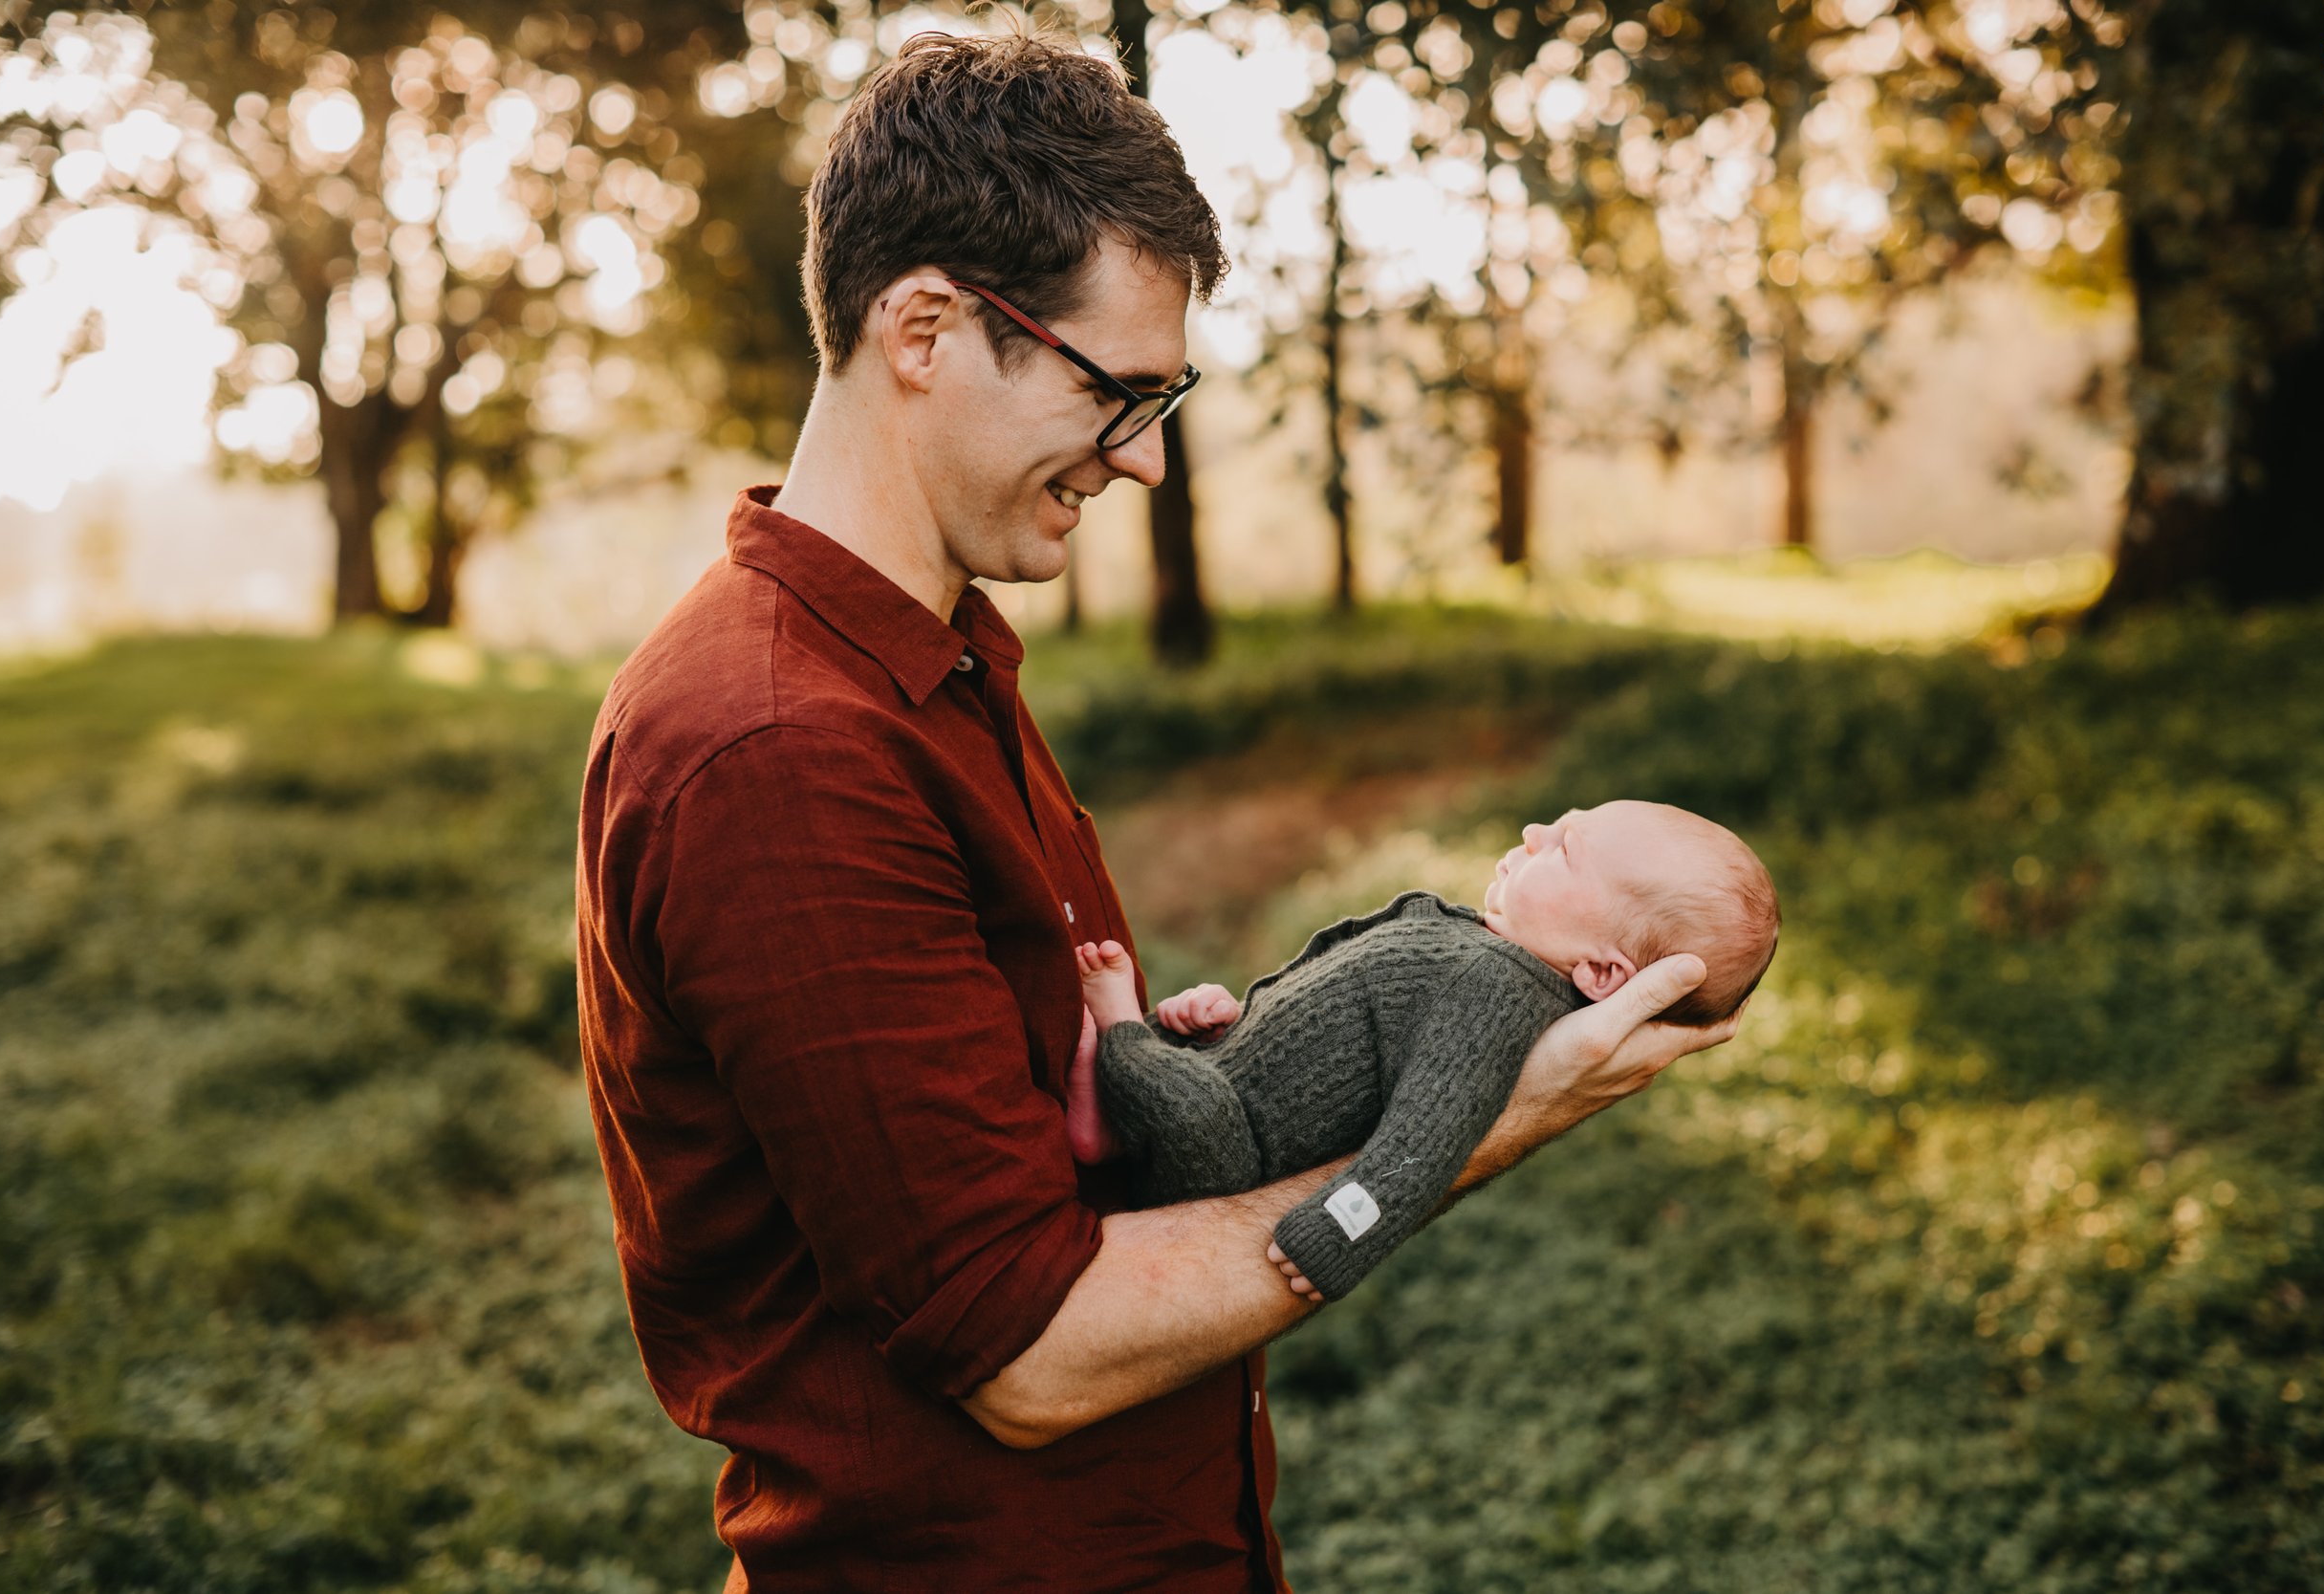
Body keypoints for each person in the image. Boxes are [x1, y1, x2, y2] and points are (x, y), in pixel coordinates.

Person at [573, 29, 1743, 1594]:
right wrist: (1481, 1128)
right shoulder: (781, 745)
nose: (1144, 456)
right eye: (1116, 392)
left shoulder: (942, 660)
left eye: (1163, 393)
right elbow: (1028, 1350)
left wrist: (1174, 1070)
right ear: (925, 325)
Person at [1067, 801, 1778, 1303]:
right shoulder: (1486, 952)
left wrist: (1342, 1232)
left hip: (1227, 1152)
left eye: (1565, 849)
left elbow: (1427, 1137)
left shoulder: (1496, 991)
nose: (1534, 830)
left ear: (1601, 972)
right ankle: (1111, 1120)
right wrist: (1232, 1022)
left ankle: (1120, 1026)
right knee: (1192, 1054)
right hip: (1238, 1085)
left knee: (1187, 1101)